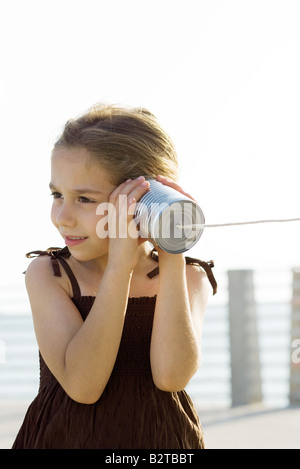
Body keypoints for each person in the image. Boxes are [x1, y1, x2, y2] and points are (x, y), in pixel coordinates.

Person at [12, 104, 217, 449]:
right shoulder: (50, 275)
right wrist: (119, 268)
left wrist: (172, 249)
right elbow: (83, 385)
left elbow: (171, 376)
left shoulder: (189, 278)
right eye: (57, 195)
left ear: (143, 199)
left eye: (84, 199)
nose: (63, 216)